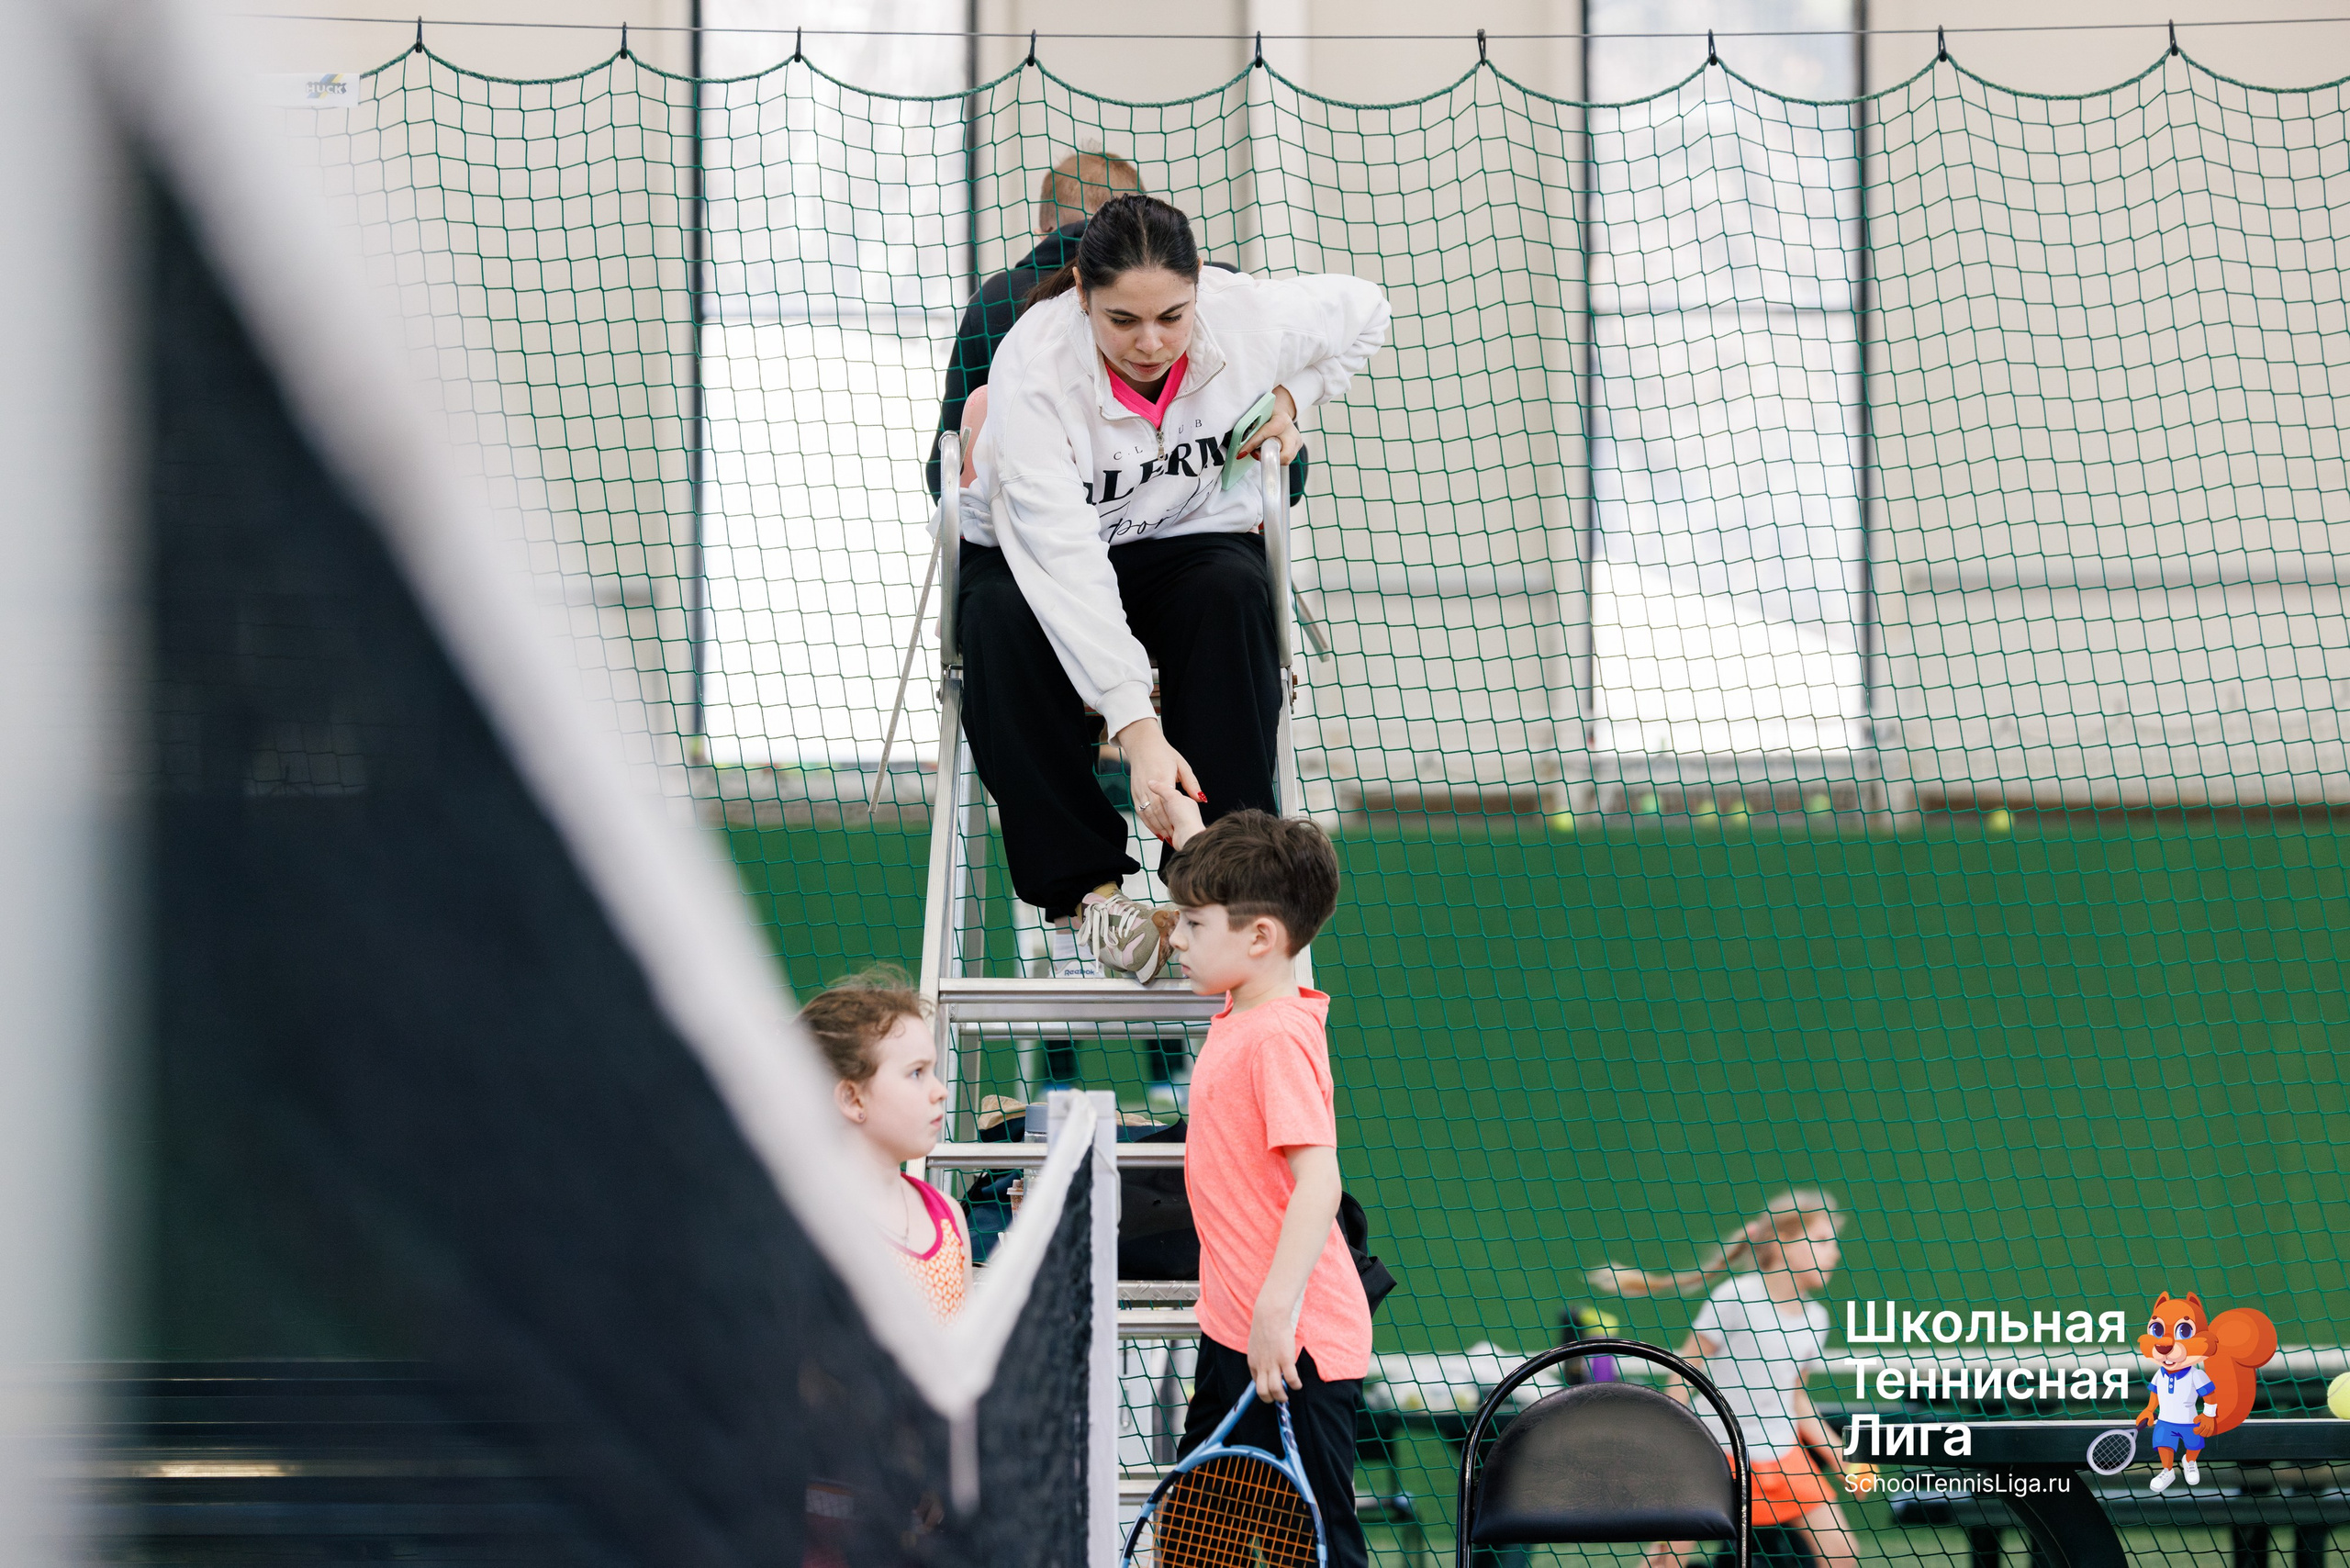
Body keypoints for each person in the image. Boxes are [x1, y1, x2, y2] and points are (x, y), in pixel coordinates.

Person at [953, 194, 1389, 980]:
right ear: (1083, 293)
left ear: (1199, 293)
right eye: (1123, 322)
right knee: (997, 619)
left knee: (1230, 592)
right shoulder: (1032, 369)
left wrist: (1295, 398)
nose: (1151, 343)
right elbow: (1066, 563)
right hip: (1040, 553)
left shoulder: (1246, 314)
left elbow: (1367, 310)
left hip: (1180, 540)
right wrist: (1135, 726)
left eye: (1172, 317)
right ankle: (1091, 897)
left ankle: (1223, 876)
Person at [1149, 787, 1370, 1568]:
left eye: (1193, 924)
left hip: (1291, 1346)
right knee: (1192, 1543)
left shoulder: (1276, 1034)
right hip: (1234, 1335)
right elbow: (1237, 893)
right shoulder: (1248, 1006)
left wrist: (1277, 1312)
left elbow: (1319, 1183)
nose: (1175, 936)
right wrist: (1186, 830)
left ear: (1263, 939)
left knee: (1314, 1549)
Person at [1588, 1191, 1858, 1568]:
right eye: (1822, 1241)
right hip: (1715, 1450)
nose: (1834, 1252)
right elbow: (1686, 1371)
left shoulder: (1817, 1319)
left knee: (1843, 1555)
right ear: (1782, 1242)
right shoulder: (1737, 1297)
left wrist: (1846, 1462)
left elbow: (1795, 1400)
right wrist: (1672, 1440)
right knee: (1666, 1562)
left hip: (1781, 1454)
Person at [927, 150, 1146, 499]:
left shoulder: (996, 297)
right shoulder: (1183, 289)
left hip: (1020, 511)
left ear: (1043, 231)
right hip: (1156, 509)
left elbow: (948, 457)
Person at [800, 969, 969, 1319]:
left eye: (934, 1071)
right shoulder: (811, 1222)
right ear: (852, 1098)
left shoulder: (947, 1216)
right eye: (916, 1073)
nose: (940, 1090)